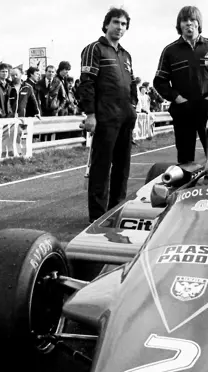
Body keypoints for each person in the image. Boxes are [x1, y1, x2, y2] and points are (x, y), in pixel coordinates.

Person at [79, 7, 139, 223]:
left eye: (123, 24)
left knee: (122, 168)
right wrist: (90, 114)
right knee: (101, 168)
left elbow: (132, 85)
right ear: (106, 24)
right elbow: (86, 84)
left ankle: (117, 210)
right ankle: (98, 216)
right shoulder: (93, 49)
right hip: (104, 117)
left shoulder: (126, 54)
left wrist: (133, 108)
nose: (119, 27)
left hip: (125, 118)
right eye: (116, 22)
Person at [154, 6, 208, 165]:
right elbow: (159, 81)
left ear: (198, 23)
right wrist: (177, 98)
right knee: (185, 161)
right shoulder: (170, 50)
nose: (189, 24)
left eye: (192, 20)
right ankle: (186, 188)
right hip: (183, 111)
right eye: (184, 20)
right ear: (179, 25)